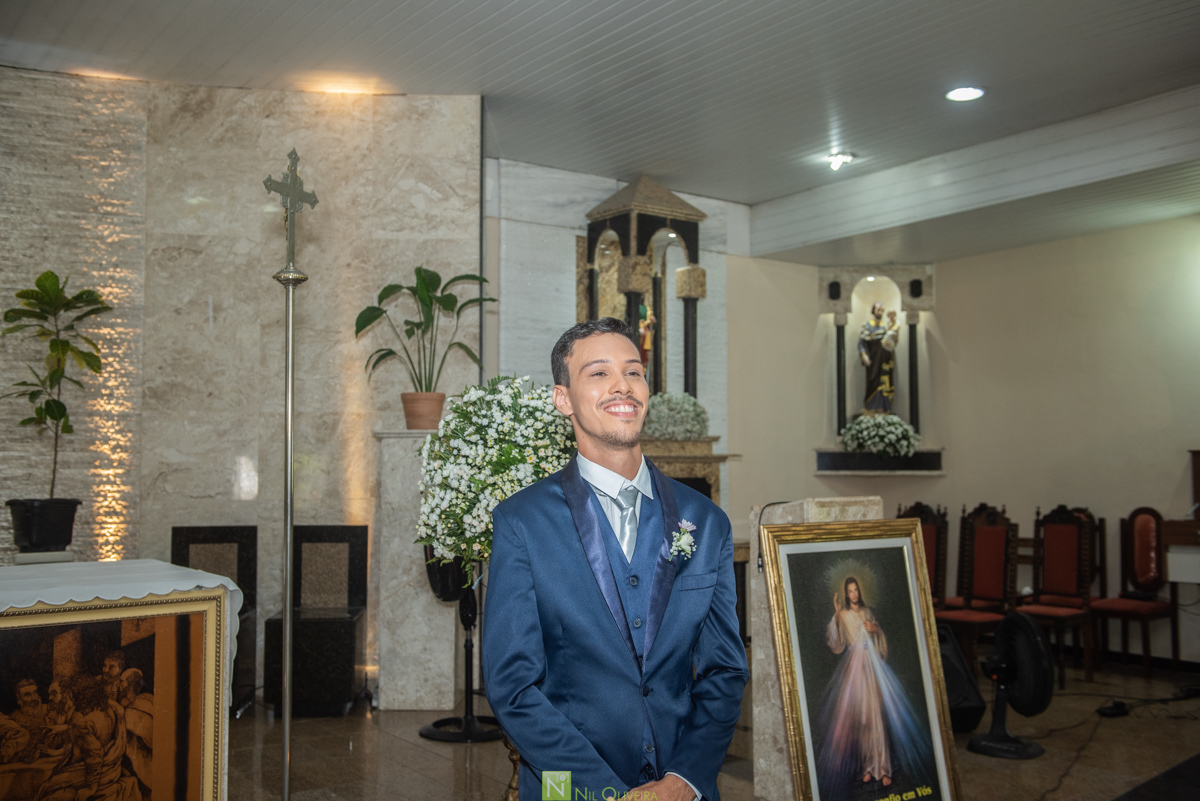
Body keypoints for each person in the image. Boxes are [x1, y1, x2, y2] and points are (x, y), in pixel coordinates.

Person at [483, 317, 747, 801]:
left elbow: (724, 670)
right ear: (563, 398)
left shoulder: (706, 522)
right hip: (569, 786)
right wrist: (606, 792)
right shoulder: (522, 522)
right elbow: (512, 686)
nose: (622, 385)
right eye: (598, 373)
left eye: (634, 372)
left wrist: (682, 781)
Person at [817, 577, 934, 799]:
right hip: (854, 668)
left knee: (876, 716)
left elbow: (880, 641)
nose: (854, 594)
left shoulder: (867, 613)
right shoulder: (842, 615)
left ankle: (883, 768)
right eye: (849, 591)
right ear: (845, 594)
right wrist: (835, 613)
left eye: (855, 590)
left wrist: (876, 630)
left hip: (871, 666)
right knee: (861, 720)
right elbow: (836, 643)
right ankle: (868, 768)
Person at [857, 302, 900, 413]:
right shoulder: (867, 325)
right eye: (878, 310)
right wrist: (863, 354)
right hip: (873, 359)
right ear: (873, 311)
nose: (880, 312)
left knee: (884, 382)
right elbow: (862, 342)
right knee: (873, 381)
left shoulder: (885, 326)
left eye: (882, 310)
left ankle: (884, 408)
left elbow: (892, 339)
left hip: (885, 359)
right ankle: (870, 407)